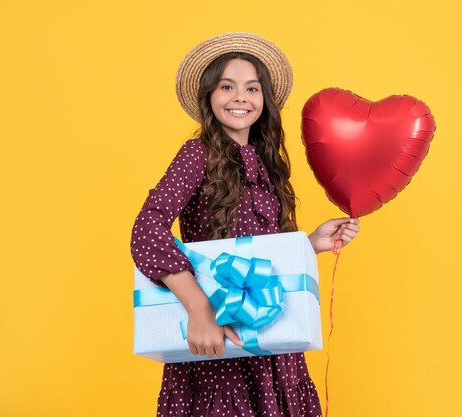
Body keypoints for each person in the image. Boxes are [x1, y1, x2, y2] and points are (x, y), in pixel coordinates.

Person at [131, 32, 360, 417]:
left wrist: (311, 244)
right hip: (219, 344)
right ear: (209, 97)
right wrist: (199, 309)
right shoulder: (196, 154)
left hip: (272, 344)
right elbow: (147, 231)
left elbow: (260, 256)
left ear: (263, 101)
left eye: (252, 88)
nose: (241, 97)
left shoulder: (269, 167)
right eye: (227, 86)